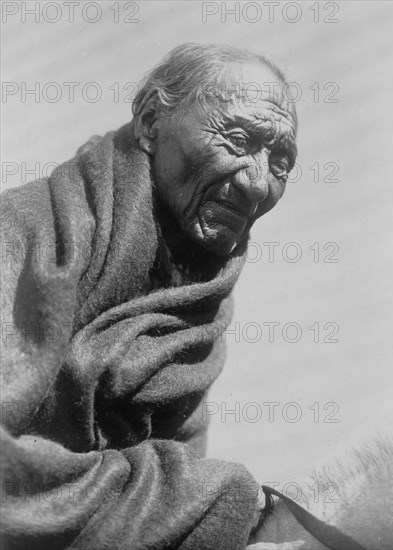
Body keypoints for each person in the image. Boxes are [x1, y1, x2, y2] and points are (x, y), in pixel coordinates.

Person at [0, 43, 298, 549]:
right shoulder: (20, 236)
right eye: (239, 138)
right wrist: (216, 497)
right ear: (150, 121)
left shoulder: (198, 314)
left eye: (282, 161)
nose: (257, 183)